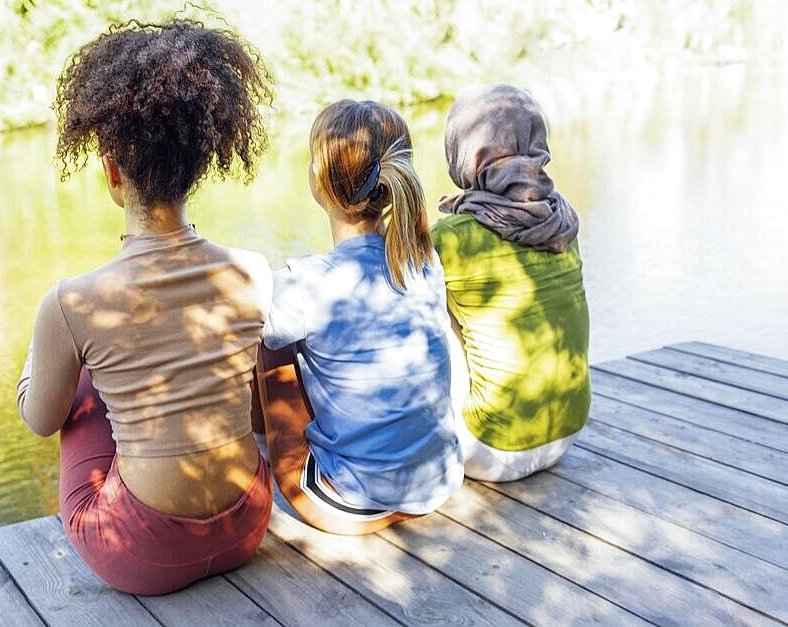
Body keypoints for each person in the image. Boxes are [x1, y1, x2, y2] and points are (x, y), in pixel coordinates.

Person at [16, 19, 275, 595]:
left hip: (143, 555)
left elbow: (40, 421)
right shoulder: (253, 272)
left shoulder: (72, 301)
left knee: (81, 374)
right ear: (200, 165)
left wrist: (36, 370)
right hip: (250, 524)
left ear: (111, 171)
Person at [251, 99, 464, 536]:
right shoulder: (424, 262)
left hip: (353, 501)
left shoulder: (308, 282)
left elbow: (231, 319)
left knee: (266, 339)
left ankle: (252, 468)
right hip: (440, 481)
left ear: (319, 180)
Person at [432, 83, 591, 482]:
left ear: (464, 151)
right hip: (567, 432)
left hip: (489, 448)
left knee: (427, 305)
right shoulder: (563, 221)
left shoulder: (450, 236)